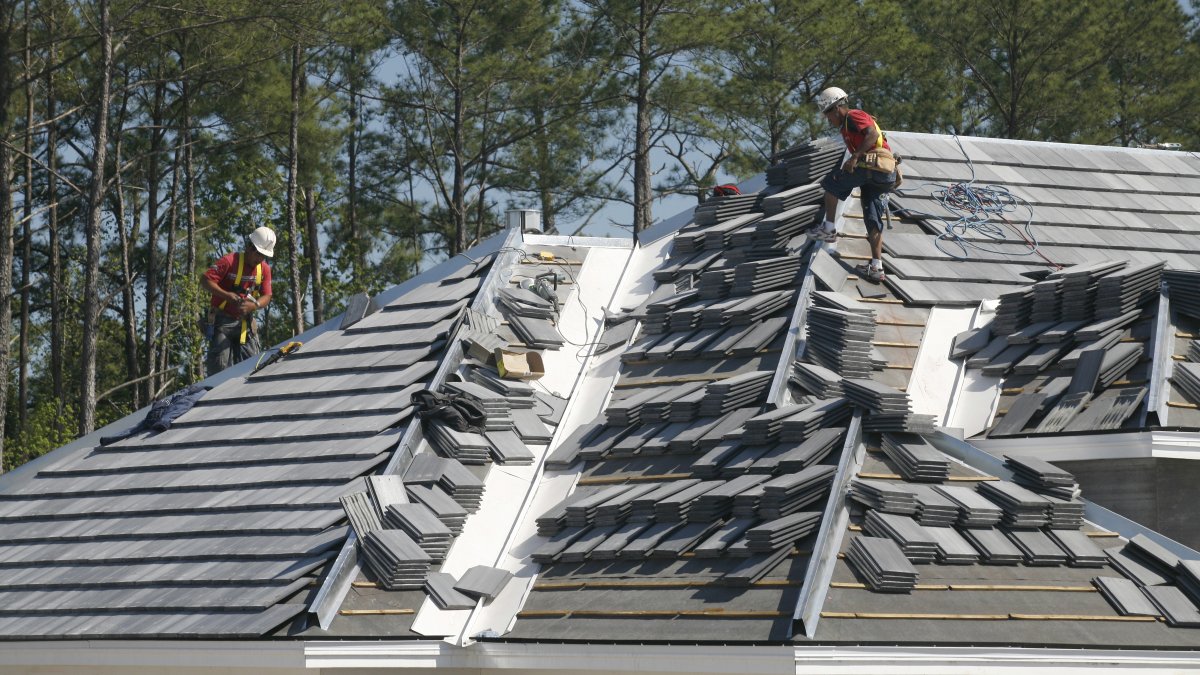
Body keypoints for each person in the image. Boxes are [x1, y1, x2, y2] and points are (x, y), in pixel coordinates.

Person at [810, 86, 897, 283]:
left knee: (831, 184)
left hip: (873, 167)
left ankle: (829, 230)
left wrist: (855, 157)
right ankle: (877, 267)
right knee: (872, 218)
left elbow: (872, 135)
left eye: (828, 115)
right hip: (882, 175)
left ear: (836, 108)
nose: (828, 120)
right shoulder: (846, 127)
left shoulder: (853, 116)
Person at [201, 226, 275, 375]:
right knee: (219, 371)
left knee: (253, 369)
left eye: (263, 256)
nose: (260, 259)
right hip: (222, 322)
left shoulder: (264, 269)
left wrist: (254, 306)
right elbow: (205, 280)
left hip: (245, 324)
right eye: (258, 254)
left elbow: (267, 295)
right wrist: (227, 295)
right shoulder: (229, 261)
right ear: (249, 247)